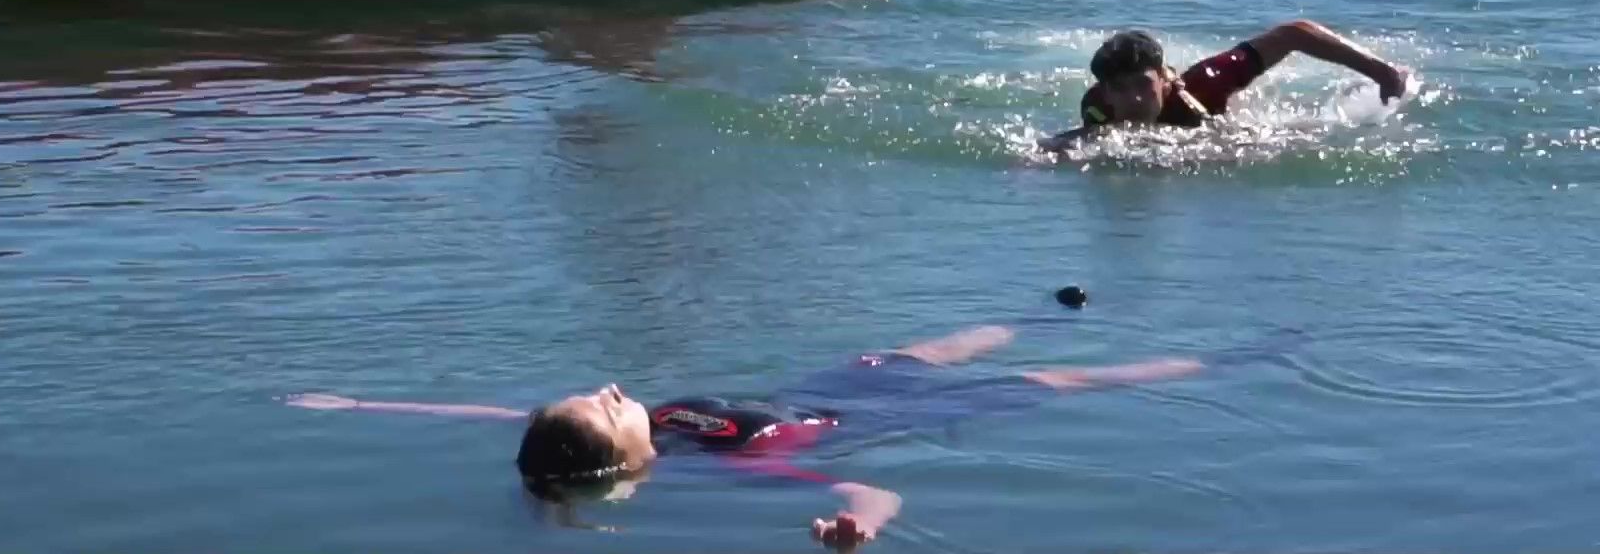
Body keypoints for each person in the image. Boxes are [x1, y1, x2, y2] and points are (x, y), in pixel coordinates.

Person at [287, 324, 1214, 549]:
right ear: (622, 462)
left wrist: (364, 406)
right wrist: (859, 529)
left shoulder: (652, 431)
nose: (612, 389)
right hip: (874, 426)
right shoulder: (725, 469)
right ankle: (1202, 365)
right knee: (1052, 383)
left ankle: (1022, 317)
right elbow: (872, 490)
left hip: (822, 390)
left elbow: (490, 418)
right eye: (605, 406)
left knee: (915, 348)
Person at [1043, 19, 1410, 151]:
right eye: (1121, 89)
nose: (1135, 99)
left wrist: (1381, 72)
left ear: (1164, 79)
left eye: (1143, 84)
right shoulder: (1097, 107)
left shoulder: (1205, 85)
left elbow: (1293, 34)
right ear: (1106, 91)